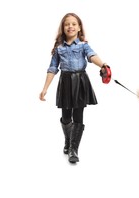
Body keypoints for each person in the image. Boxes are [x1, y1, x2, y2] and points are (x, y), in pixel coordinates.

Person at [39, 13, 109, 164]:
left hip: (80, 81)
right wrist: (45, 88)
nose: (70, 26)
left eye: (74, 24)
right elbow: (52, 68)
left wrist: (103, 64)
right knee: (65, 116)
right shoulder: (58, 48)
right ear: (63, 28)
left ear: (79, 28)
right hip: (65, 82)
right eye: (67, 24)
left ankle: (73, 149)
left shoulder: (84, 45)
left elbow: (92, 56)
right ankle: (68, 139)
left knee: (78, 115)